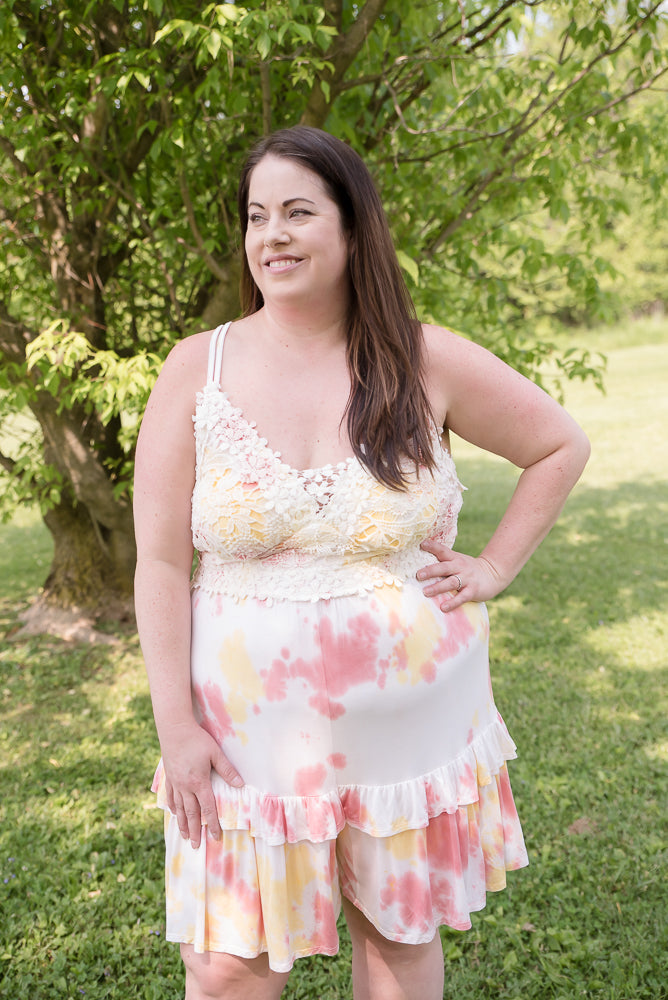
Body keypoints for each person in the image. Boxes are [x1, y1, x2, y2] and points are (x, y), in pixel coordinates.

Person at [133, 125, 590, 1000]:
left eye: (299, 212)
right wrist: (175, 728)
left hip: (409, 731)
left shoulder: (424, 357)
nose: (272, 236)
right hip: (243, 738)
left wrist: (493, 567)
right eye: (257, 216)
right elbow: (158, 564)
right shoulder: (197, 370)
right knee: (227, 963)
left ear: (353, 228)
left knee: (397, 943)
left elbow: (558, 444)